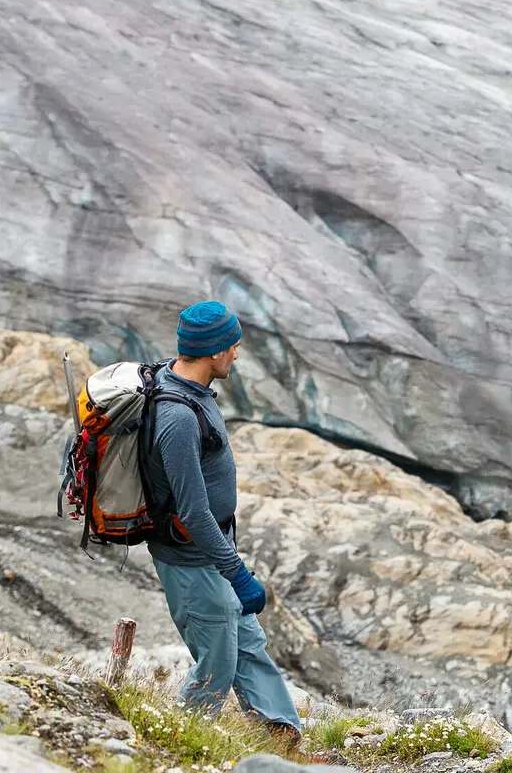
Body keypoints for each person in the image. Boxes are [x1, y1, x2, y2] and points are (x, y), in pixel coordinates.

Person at [148, 300, 301, 744]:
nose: (237, 354)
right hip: (192, 560)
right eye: (233, 347)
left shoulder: (183, 386)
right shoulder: (177, 417)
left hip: (212, 556)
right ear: (215, 352)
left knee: (249, 647)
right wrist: (238, 574)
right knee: (216, 662)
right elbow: (193, 512)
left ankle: (283, 737)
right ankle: (175, 742)